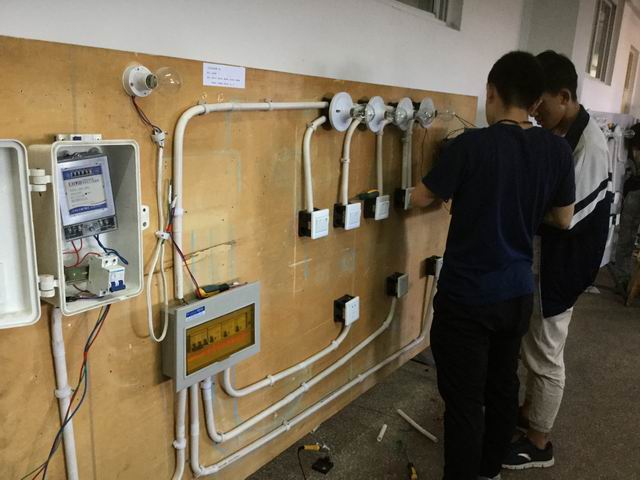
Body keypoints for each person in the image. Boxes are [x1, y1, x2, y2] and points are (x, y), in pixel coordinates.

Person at [412, 51, 576, 480]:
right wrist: (518, 206)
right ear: (536, 101)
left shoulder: (472, 146)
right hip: (517, 292)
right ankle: (490, 471)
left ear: (491, 92)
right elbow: (564, 218)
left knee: (464, 401)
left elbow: (422, 196)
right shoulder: (557, 151)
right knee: (502, 385)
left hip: (467, 298)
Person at [503, 50, 611, 470]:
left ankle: (539, 442)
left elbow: (565, 218)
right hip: (546, 258)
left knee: (546, 352)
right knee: (533, 343)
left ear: (564, 97)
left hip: (564, 264)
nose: (534, 112)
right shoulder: (563, 132)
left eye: (541, 104)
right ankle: (530, 414)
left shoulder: (590, 145)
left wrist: (516, 206)